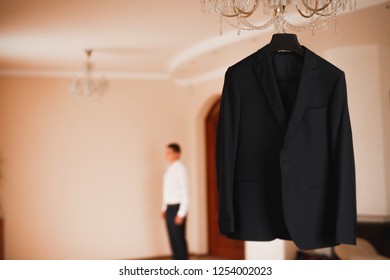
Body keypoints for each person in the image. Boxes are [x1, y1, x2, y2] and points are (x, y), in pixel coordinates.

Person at [161, 143, 189, 260]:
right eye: (166, 152)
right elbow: (167, 191)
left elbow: (185, 193)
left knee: (179, 239)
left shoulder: (181, 170)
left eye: (169, 152)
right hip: (169, 208)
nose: (166, 155)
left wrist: (181, 214)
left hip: (177, 208)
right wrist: (163, 208)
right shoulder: (169, 169)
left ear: (176, 154)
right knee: (172, 239)